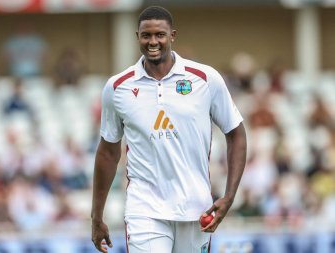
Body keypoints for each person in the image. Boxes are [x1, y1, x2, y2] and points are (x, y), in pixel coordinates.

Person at [91, 6, 247, 253]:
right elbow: (108, 153)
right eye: (146, 35)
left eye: (160, 35)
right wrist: (96, 216)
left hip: (197, 209)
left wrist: (229, 196)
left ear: (172, 35)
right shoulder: (117, 87)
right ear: (137, 37)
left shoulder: (205, 79)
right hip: (144, 209)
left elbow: (236, 134)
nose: (153, 41)